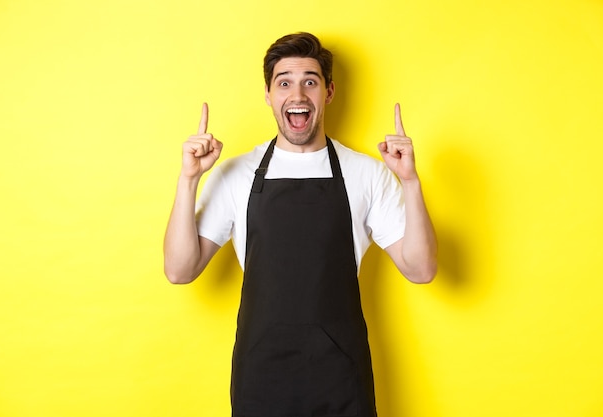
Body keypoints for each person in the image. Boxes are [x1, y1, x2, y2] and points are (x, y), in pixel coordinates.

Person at [164, 32, 437, 417]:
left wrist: (410, 182)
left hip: (342, 377)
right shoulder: (235, 174)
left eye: (310, 81)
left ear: (328, 92)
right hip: (260, 378)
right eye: (284, 82)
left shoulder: (367, 173)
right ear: (268, 94)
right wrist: (188, 179)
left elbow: (422, 269)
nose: (297, 94)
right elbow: (179, 270)